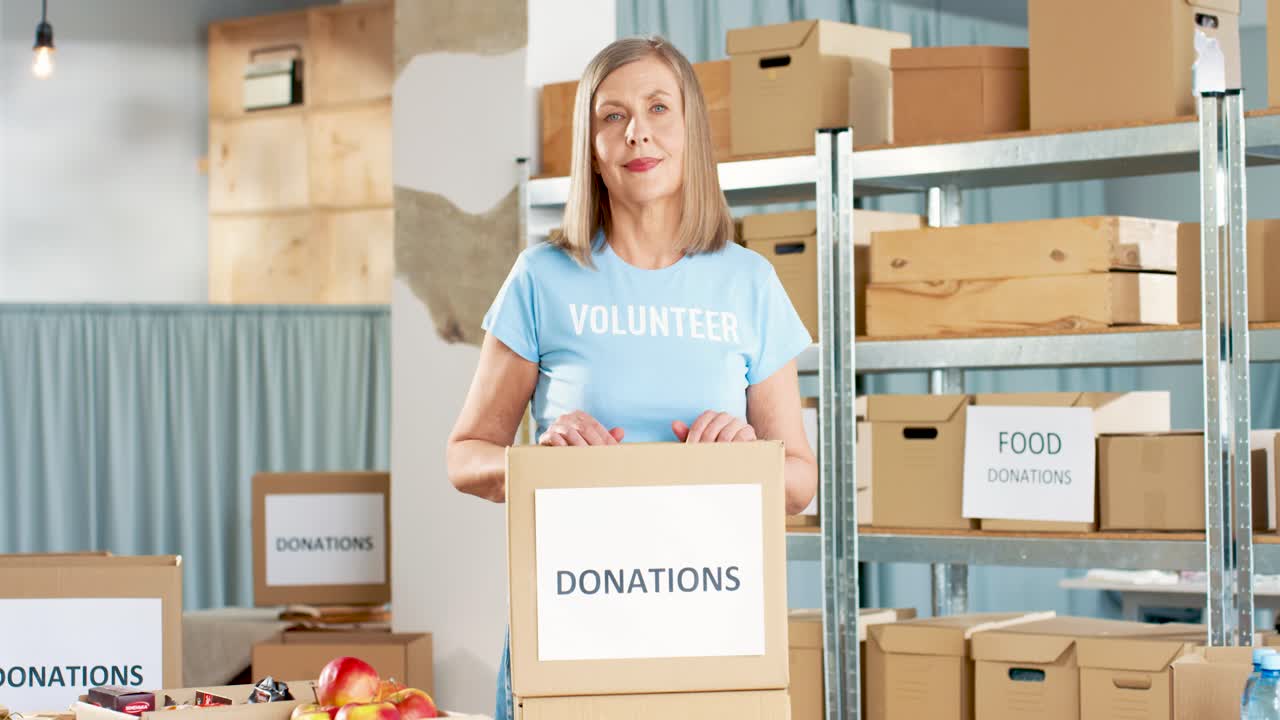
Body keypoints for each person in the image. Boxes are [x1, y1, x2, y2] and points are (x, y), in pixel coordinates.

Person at [445, 35, 818, 720]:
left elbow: (799, 481)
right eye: (611, 115)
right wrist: (540, 465)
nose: (636, 131)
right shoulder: (541, 278)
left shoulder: (749, 283)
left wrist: (747, 462)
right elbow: (465, 457)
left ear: (691, 130)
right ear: (592, 145)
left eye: (657, 108)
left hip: (709, 623)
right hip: (568, 625)